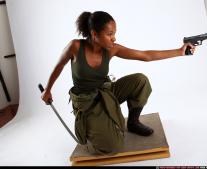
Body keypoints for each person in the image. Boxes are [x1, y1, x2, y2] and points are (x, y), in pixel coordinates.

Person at [41, 11, 196, 155]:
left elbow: (145, 55)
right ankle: (91, 133)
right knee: (113, 147)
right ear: (94, 34)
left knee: (140, 81)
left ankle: (133, 123)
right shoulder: (75, 47)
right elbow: (59, 66)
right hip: (87, 104)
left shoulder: (111, 49)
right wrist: (47, 90)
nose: (114, 38)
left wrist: (180, 51)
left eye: (114, 33)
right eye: (109, 34)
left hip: (106, 93)